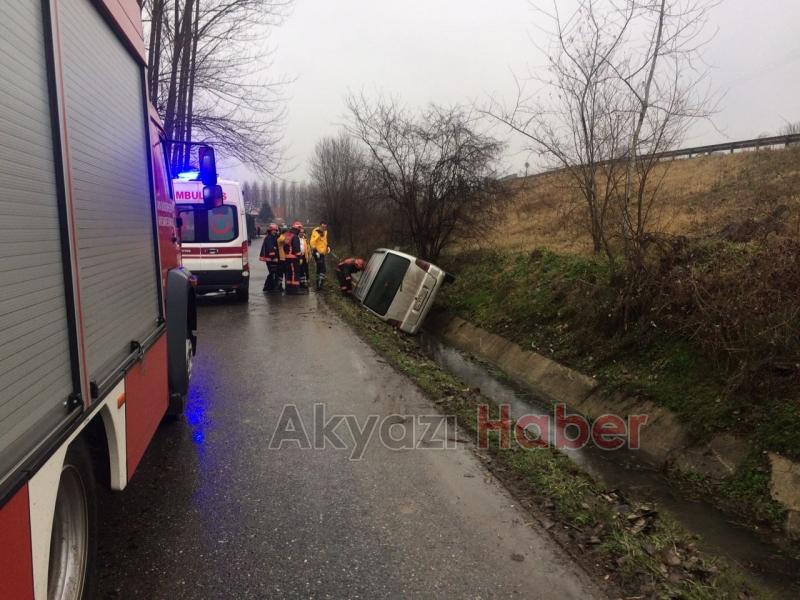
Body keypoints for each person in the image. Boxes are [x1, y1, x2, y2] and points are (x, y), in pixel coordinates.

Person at [283, 221, 303, 295]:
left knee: (289, 273)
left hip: (287, 258)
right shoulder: (295, 237)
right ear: (297, 229)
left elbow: (285, 247)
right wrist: (300, 257)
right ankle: (295, 290)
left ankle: (289, 289)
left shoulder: (287, 235)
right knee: (295, 273)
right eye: (299, 230)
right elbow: (296, 249)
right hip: (294, 258)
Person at [258, 223, 280, 292]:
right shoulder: (269, 238)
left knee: (273, 272)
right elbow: (271, 249)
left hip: (273, 258)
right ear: (270, 230)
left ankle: (269, 287)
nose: (275, 231)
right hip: (271, 259)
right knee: (272, 272)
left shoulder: (273, 236)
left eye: (276, 230)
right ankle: (268, 287)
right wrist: (274, 256)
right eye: (274, 230)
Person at [309, 222, 330, 291]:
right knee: (322, 268)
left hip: (322, 253)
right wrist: (315, 251)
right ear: (320, 226)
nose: (324, 228)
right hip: (317, 253)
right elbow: (312, 242)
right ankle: (319, 285)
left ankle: (319, 285)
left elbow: (325, 241)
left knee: (319, 269)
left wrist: (327, 246)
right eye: (323, 227)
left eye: (325, 227)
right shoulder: (315, 231)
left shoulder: (325, 232)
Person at [298, 226, 311, 291]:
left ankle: (306, 282)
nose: (302, 233)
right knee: (300, 270)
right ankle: (301, 283)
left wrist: (309, 255)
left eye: (303, 232)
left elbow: (308, 248)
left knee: (306, 270)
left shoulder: (305, 239)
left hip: (304, 256)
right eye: (300, 232)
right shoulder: (296, 239)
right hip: (299, 256)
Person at [276, 224, 288, 292]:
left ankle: (285, 285)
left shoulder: (282, 237)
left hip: (285, 258)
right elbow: (283, 240)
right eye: (287, 233)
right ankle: (279, 286)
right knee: (281, 273)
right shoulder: (281, 237)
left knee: (285, 273)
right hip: (282, 258)